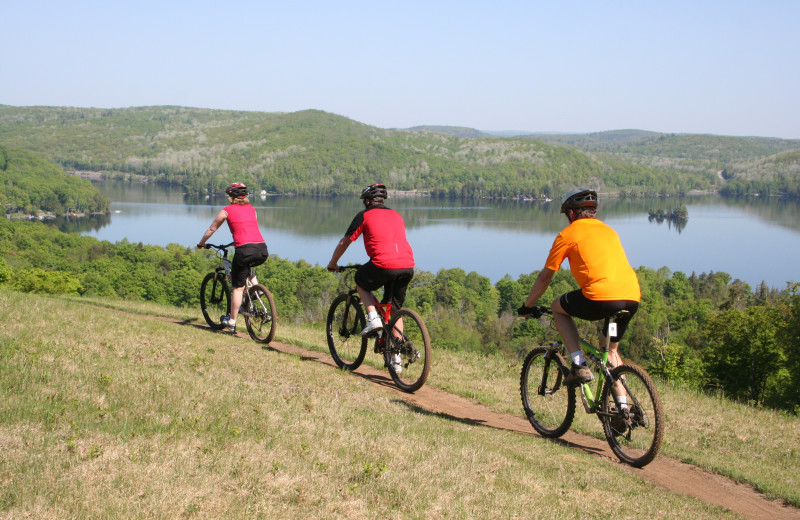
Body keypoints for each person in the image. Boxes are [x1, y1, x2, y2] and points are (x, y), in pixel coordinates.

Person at [518, 188, 640, 404]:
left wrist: (528, 306)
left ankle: (578, 364)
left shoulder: (568, 234)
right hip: (631, 297)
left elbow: (545, 278)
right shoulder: (609, 231)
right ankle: (622, 408)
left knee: (558, 307)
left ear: (572, 214)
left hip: (600, 297)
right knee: (609, 351)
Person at [326, 183, 415, 372]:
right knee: (394, 309)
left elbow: (345, 241)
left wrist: (333, 263)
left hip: (383, 264)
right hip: (407, 266)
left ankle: (372, 317)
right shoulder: (396, 215)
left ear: (367, 201)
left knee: (360, 281)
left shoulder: (364, 215)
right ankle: (395, 359)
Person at [197, 182, 269, 332]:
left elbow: (212, 228)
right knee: (246, 267)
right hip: (262, 249)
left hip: (244, 250)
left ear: (231, 197)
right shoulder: (252, 210)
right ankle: (257, 290)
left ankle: (231, 321)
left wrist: (202, 243)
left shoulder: (227, 211)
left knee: (237, 287)